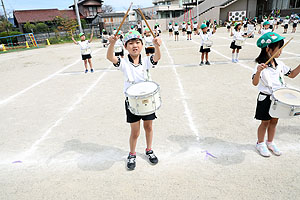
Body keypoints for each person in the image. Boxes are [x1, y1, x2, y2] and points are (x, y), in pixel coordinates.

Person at [106, 30, 162, 170]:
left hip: (147, 100)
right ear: (126, 47)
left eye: (137, 42)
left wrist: (157, 46)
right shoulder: (124, 63)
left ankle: (149, 150)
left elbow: (157, 57)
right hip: (131, 101)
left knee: (148, 127)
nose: (134, 45)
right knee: (135, 131)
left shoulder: (147, 61)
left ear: (142, 45)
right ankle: (132, 154)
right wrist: (112, 44)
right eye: (130, 43)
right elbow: (110, 57)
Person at [252, 32, 300, 157]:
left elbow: (293, 74)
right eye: (279, 48)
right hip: (265, 98)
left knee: (274, 122)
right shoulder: (260, 66)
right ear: (268, 49)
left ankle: (270, 142)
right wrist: (258, 72)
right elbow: (254, 82)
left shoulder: (280, 65)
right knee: (265, 122)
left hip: (278, 98)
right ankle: (260, 143)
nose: (281, 52)